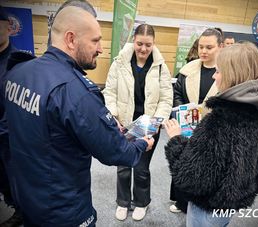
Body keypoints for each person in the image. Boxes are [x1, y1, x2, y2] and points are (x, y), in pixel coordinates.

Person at [3, 6, 154, 226]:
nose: (101, 49)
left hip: (26, 195)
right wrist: (141, 144)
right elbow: (116, 152)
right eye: (95, 41)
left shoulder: (18, 71)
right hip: (62, 208)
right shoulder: (75, 92)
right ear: (71, 39)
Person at [164, 41, 258, 227]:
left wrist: (175, 140)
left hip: (208, 205)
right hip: (233, 199)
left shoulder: (220, 119)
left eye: (218, 71)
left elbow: (190, 177)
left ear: (232, 75)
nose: (214, 76)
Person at [103, 23, 173, 221]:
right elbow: (110, 92)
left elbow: (166, 99)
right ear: (133, 41)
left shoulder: (161, 67)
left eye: (148, 45)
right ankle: (123, 202)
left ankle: (141, 202)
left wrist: (155, 123)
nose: (143, 49)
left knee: (141, 168)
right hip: (124, 122)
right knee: (123, 166)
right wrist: (114, 117)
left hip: (148, 125)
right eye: (139, 44)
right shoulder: (119, 63)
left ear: (154, 44)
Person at [170, 27, 223, 213]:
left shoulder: (226, 73)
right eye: (201, 46)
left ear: (220, 47)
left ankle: (200, 202)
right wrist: (183, 110)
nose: (203, 51)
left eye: (209, 47)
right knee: (183, 160)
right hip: (187, 125)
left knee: (207, 166)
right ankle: (180, 202)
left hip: (213, 129)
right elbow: (176, 92)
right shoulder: (187, 70)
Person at [0, 6, 24, 227]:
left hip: (9, 140)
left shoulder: (19, 63)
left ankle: (19, 213)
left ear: (8, 27)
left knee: (12, 182)